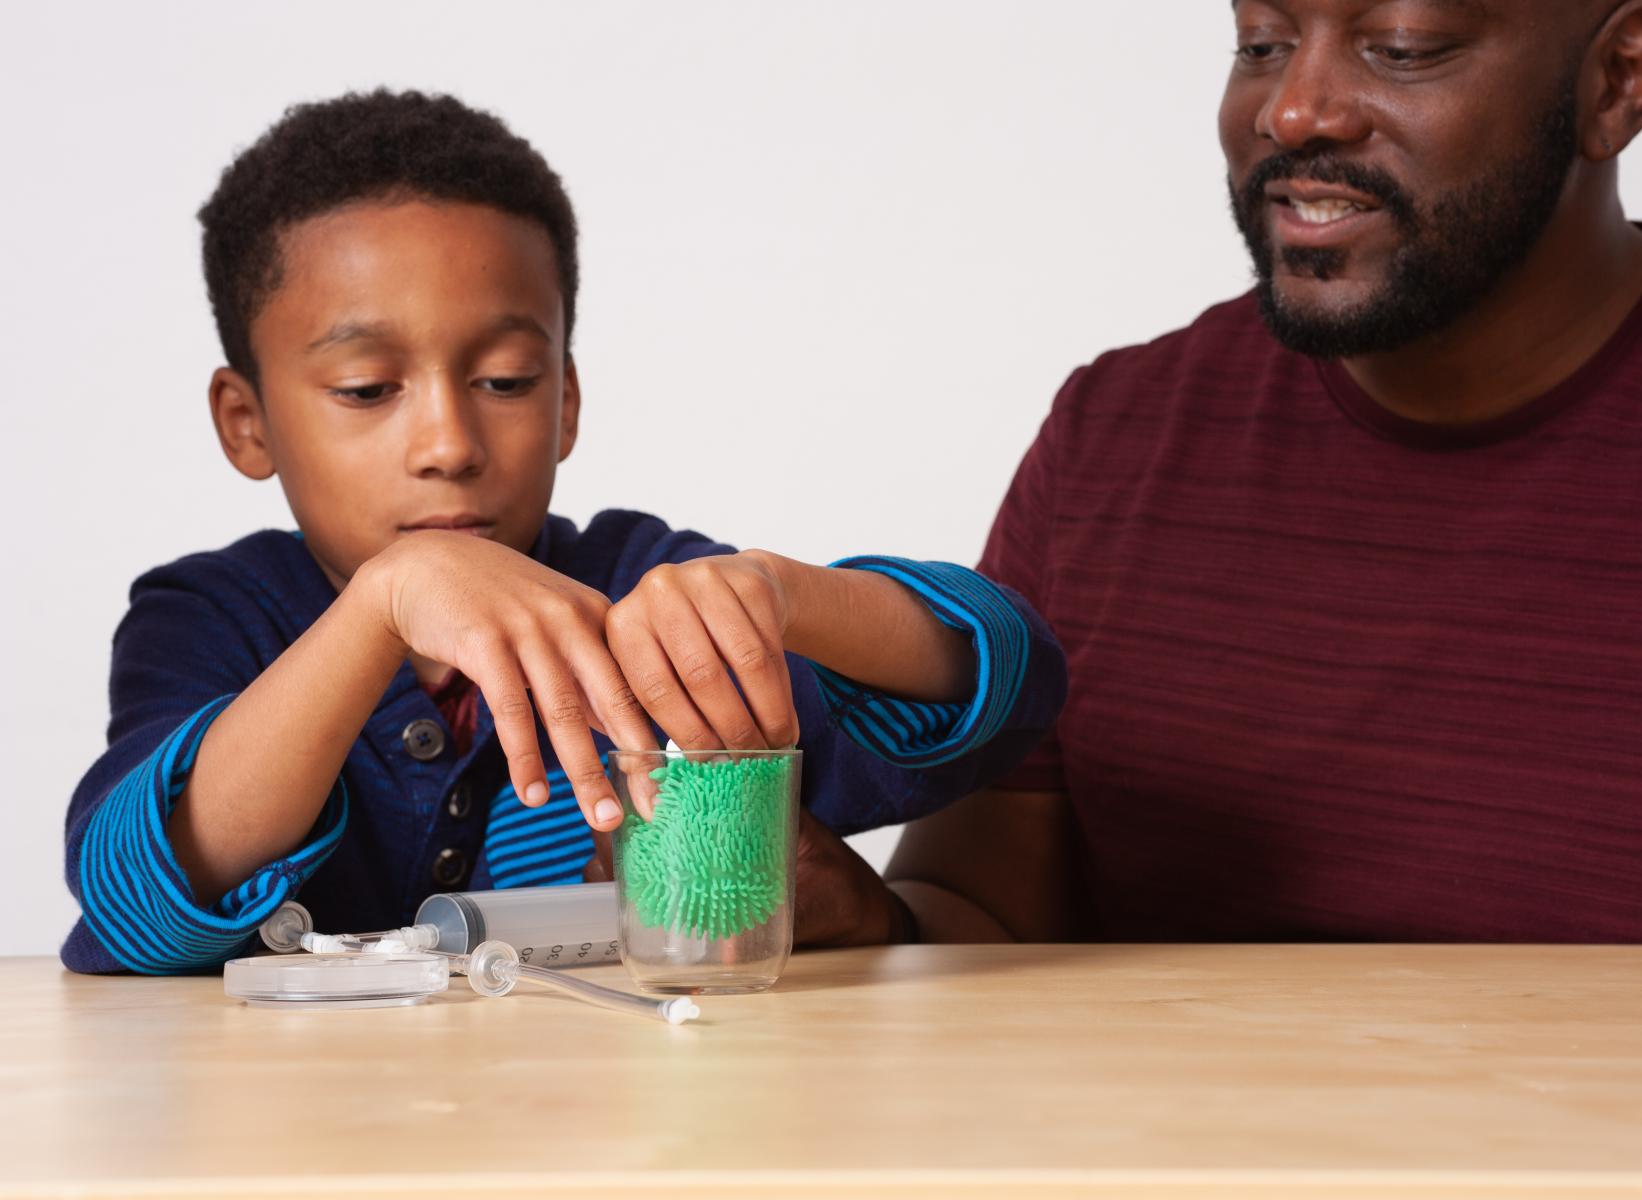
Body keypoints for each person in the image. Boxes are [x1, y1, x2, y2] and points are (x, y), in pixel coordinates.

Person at [800, 0, 1642, 947]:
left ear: (1618, 80)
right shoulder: (1117, 437)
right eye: (1263, 41)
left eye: (1401, 45)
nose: (1293, 111)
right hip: (1195, 1133)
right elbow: (987, 920)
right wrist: (863, 922)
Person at [62, 90, 1065, 974]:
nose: (449, 443)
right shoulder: (209, 617)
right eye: (368, 389)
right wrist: (383, 603)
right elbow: (138, 903)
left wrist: (786, 595)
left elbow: (1005, 680)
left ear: (568, 402)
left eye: (504, 380)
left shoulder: (638, 592)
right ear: (249, 422)